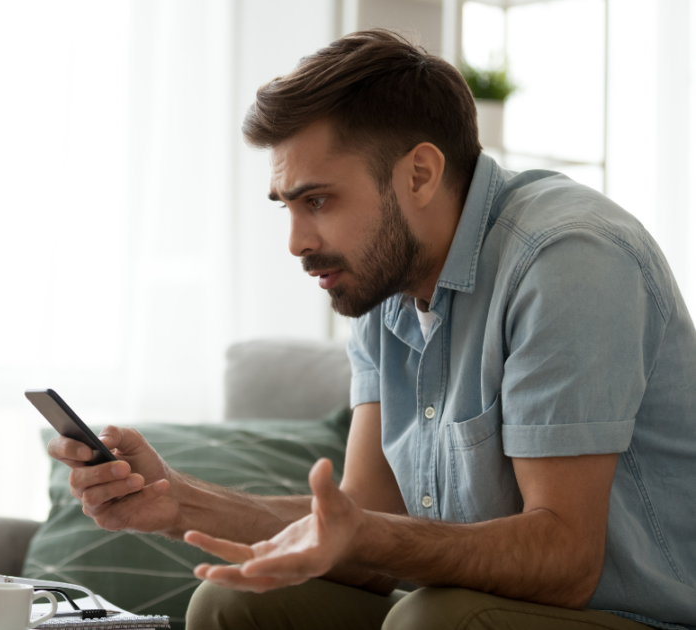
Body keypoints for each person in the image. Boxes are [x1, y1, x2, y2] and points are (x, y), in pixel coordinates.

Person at [47, 29, 696, 630]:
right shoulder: (384, 282)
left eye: (319, 200)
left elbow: (565, 560)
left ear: (419, 174)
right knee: (234, 602)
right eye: (289, 207)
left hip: (632, 613)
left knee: (430, 621)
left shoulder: (566, 260)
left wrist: (368, 536)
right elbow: (357, 526)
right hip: (484, 605)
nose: (298, 243)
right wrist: (175, 500)